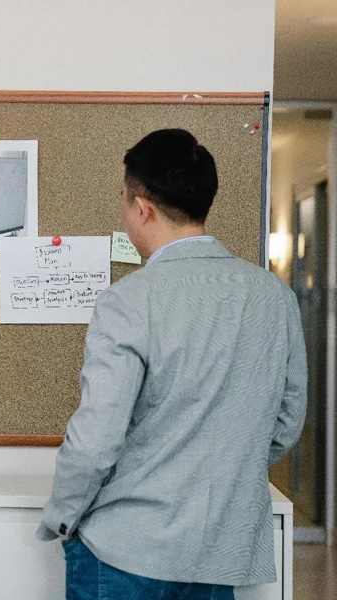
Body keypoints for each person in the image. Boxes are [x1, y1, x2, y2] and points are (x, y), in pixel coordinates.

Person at [37, 129, 307, 600]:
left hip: (125, 550)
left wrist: (62, 516)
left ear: (143, 207)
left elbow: (96, 439)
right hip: (219, 554)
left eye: (125, 204)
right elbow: (285, 423)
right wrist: (221, 465)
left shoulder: (127, 302)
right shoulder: (274, 298)